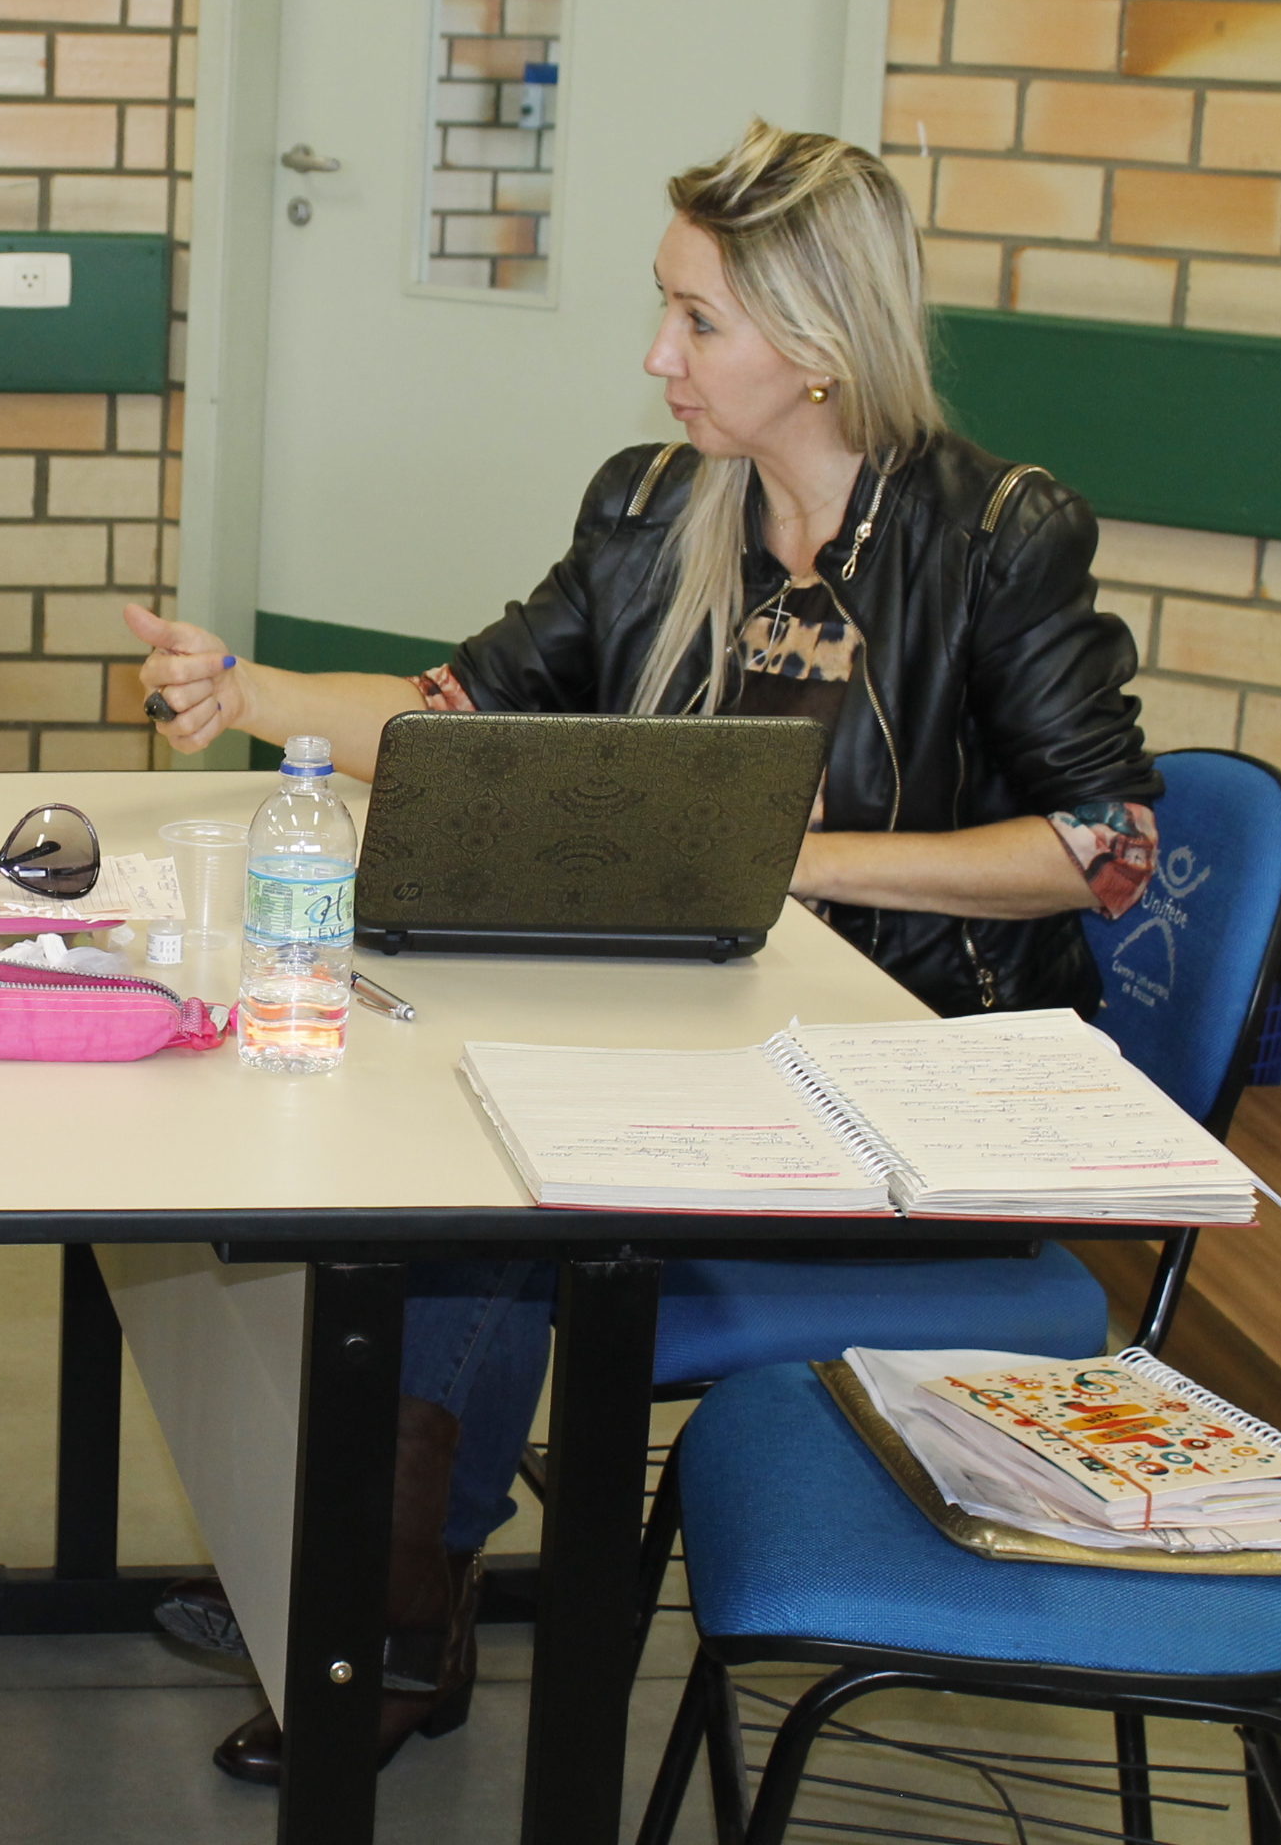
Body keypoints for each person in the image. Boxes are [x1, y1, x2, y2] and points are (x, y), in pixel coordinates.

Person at [124, 120, 1162, 1783]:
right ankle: (362, 1568)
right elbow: (458, 717)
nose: (653, 356)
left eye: (696, 322)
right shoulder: (652, 511)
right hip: (695, 1041)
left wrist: (785, 860)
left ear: (813, 349)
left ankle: (389, 1609)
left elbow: (1100, 847)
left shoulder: (992, 538)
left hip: (905, 1097)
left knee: (484, 1218)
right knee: (419, 1141)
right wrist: (246, 693)